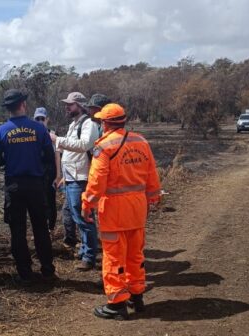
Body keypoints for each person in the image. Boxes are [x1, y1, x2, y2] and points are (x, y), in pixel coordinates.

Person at [81, 103, 162, 320]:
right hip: (137, 208)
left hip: (114, 211)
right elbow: (151, 172)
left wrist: (87, 203)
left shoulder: (104, 146)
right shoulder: (141, 141)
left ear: (105, 123)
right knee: (135, 254)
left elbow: (97, 181)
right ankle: (137, 296)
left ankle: (116, 304)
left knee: (114, 257)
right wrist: (154, 196)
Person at [0, 89, 57, 285]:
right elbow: (48, 156)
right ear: (23, 105)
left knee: (17, 231)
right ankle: (47, 269)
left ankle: (25, 272)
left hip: (14, 186)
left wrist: (10, 158)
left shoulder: (1, 131)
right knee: (40, 228)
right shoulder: (39, 129)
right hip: (36, 185)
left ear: (8, 109)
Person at [49, 92, 99, 271]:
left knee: (84, 218)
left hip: (81, 178)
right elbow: (71, 152)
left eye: (70, 104)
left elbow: (84, 145)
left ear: (80, 105)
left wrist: (58, 140)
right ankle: (86, 250)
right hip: (72, 177)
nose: (67, 107)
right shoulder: (74, 124)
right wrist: (63, 176)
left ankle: (90, 256)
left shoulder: (89, 124)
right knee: (77, 216)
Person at [33, 107, 61, 232]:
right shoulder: (31, 134)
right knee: (38, 200)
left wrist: (58, 175)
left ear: (47, 119)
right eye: (37, 119)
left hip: (50, 171)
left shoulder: (53, 135)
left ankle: (51, 226)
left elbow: (57, 156)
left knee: (50, 199)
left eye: (42, 119)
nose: (40, 121)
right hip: (36, 172)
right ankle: (41, 226)